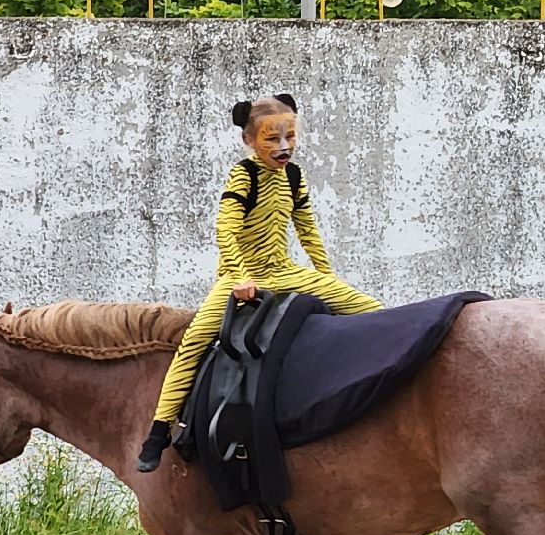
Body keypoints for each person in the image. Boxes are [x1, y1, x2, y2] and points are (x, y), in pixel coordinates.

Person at [136, 94, 382, 473]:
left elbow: (307, 230)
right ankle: (159, 429)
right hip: (242, 275)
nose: (283, 147)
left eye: (290, 137)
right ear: (249, 141)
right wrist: (238, 278)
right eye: (272, 139)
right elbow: (226, 229)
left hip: (284, 270)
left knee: (372, 312)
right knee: (196, 340)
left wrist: (326, 276)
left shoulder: (294, 175)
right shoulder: (244, 175)